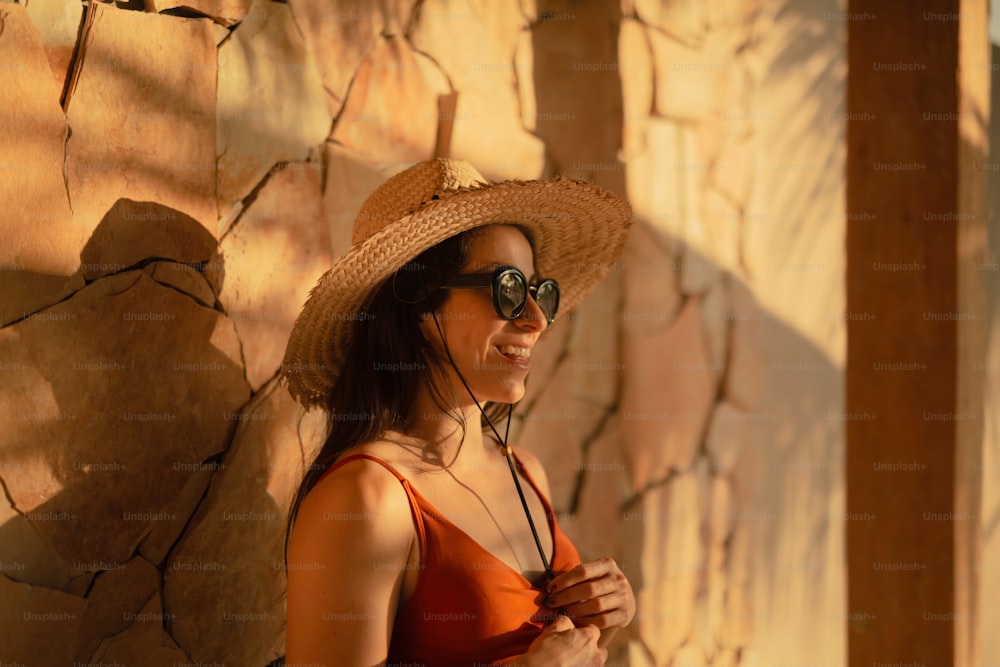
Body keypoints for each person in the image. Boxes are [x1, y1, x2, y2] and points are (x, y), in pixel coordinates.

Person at [281, 158, 635, 666]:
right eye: (508, 289)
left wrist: (604, 617)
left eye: (540, 293)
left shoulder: (523, 471)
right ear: (419, 305)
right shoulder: (367, 500)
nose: (537, 320)